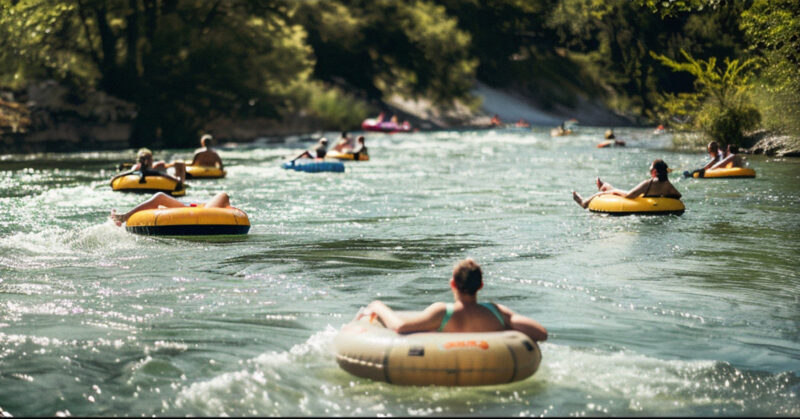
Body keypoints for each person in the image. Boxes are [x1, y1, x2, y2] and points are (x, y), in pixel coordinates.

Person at [357, 259, 548, 342]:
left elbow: (399, 326)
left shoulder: (442, 312)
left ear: (452, 284)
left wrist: (378, 306)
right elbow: (541, 333)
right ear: (480, 286)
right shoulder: (496, 312)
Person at [572, 159, 681, 209]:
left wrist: (614, 192)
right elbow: (678, 195)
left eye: (650, 168)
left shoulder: (648, 183)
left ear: (654, 172)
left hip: (637, 198)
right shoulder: (668, 185)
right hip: (645, 199)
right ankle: (604, 186)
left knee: (611, 190)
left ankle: (584, 202)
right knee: (609, 188)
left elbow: (630, 195)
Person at [110, 192, 232, 226]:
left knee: (223, 195)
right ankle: (125, 216)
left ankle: (125, 216)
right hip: (192, 210)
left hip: (198, 209)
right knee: (159, 196)